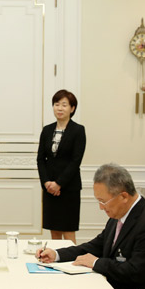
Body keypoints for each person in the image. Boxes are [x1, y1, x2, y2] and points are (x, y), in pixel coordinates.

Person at [37, 164, 145, 289]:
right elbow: (95, 246)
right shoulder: (119, 215)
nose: (101, 207)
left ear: (123, 196)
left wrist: (96, 262)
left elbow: (135, 272)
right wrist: (57, 254)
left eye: (103, 201)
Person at [36, 89, 86, 242]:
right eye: (56, 104)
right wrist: (47, 183)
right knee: (54, 232)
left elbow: (76, 161)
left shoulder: (78, 130)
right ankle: (55, 261)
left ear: (72, 108)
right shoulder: (47, 130)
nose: (59, 108)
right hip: (50, 188)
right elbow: (40, 159)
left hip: (69, 188)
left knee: (69, 231)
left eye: (64, 105)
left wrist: (59, 184)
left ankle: (71, 262)